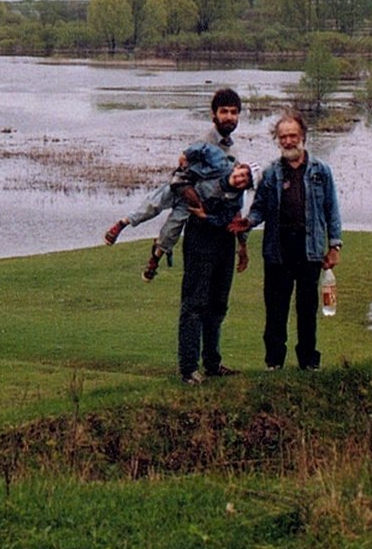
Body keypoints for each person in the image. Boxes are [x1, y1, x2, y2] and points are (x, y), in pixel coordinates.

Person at [247, 109, 342, 372]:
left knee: (307, 308)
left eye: (293, 136)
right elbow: (258, 209)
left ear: (303, 137)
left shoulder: (322, 171)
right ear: (277, 140)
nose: (288, 141)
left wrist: (334, 246)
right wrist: (246, 224)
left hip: (309, 249)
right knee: (276, 308)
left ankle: (309, 362)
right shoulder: (270, 173)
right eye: (283, 137)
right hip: (278, 250)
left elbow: (331, 210)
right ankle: (274, 362)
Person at [174, 87, 251, 385]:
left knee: (218, 302)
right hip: (200, 234)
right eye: (224, 112)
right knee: (195, 303)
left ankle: (212, 363)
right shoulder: (201, 146)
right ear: (214, 114)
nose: (229, 117)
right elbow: (178, 182)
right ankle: (187, 368)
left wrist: (242, 244)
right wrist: (200, 206)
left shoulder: (233, 151)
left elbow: (237, 199)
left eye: (234, 112)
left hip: (225, 235)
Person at [103, 149, 253, 282]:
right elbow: (202, 149)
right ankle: (122, 224)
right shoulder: (221, 164)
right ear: (237, 168)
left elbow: (227, 218)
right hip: (182, 186)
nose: (240, 179)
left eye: (244, 182)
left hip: (191, 205)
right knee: (151, 206)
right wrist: (186, 154)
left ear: (245, 188)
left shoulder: (235, 199)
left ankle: (154, 259)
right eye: (242, 175)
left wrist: (205, 216)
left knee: (171, 231)